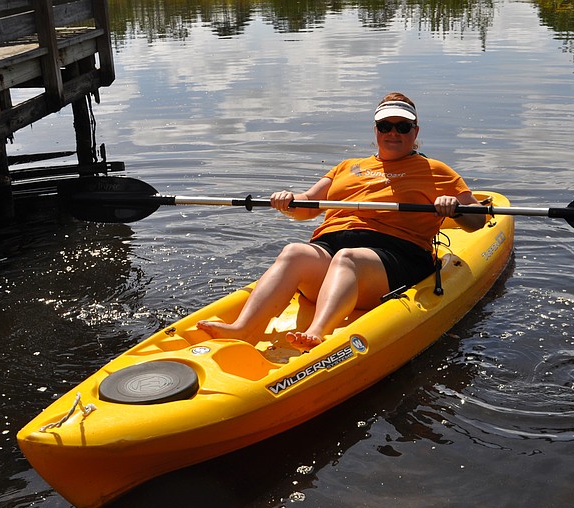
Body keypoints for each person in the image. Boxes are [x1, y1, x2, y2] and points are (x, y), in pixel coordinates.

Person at [197, 92, 485, 350]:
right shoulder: (347, 167)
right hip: (332, 248)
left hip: (395, 258)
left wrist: (456, 209)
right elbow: (307, 205)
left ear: (415, 131)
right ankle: (243, 329)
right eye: (385, 126)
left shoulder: (436, 170)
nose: (393, 133)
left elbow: (477, 220)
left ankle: (316, 333)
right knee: (294, 252)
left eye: (403, 127)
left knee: (348, 258)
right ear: (375, 129)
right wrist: (289, 201)